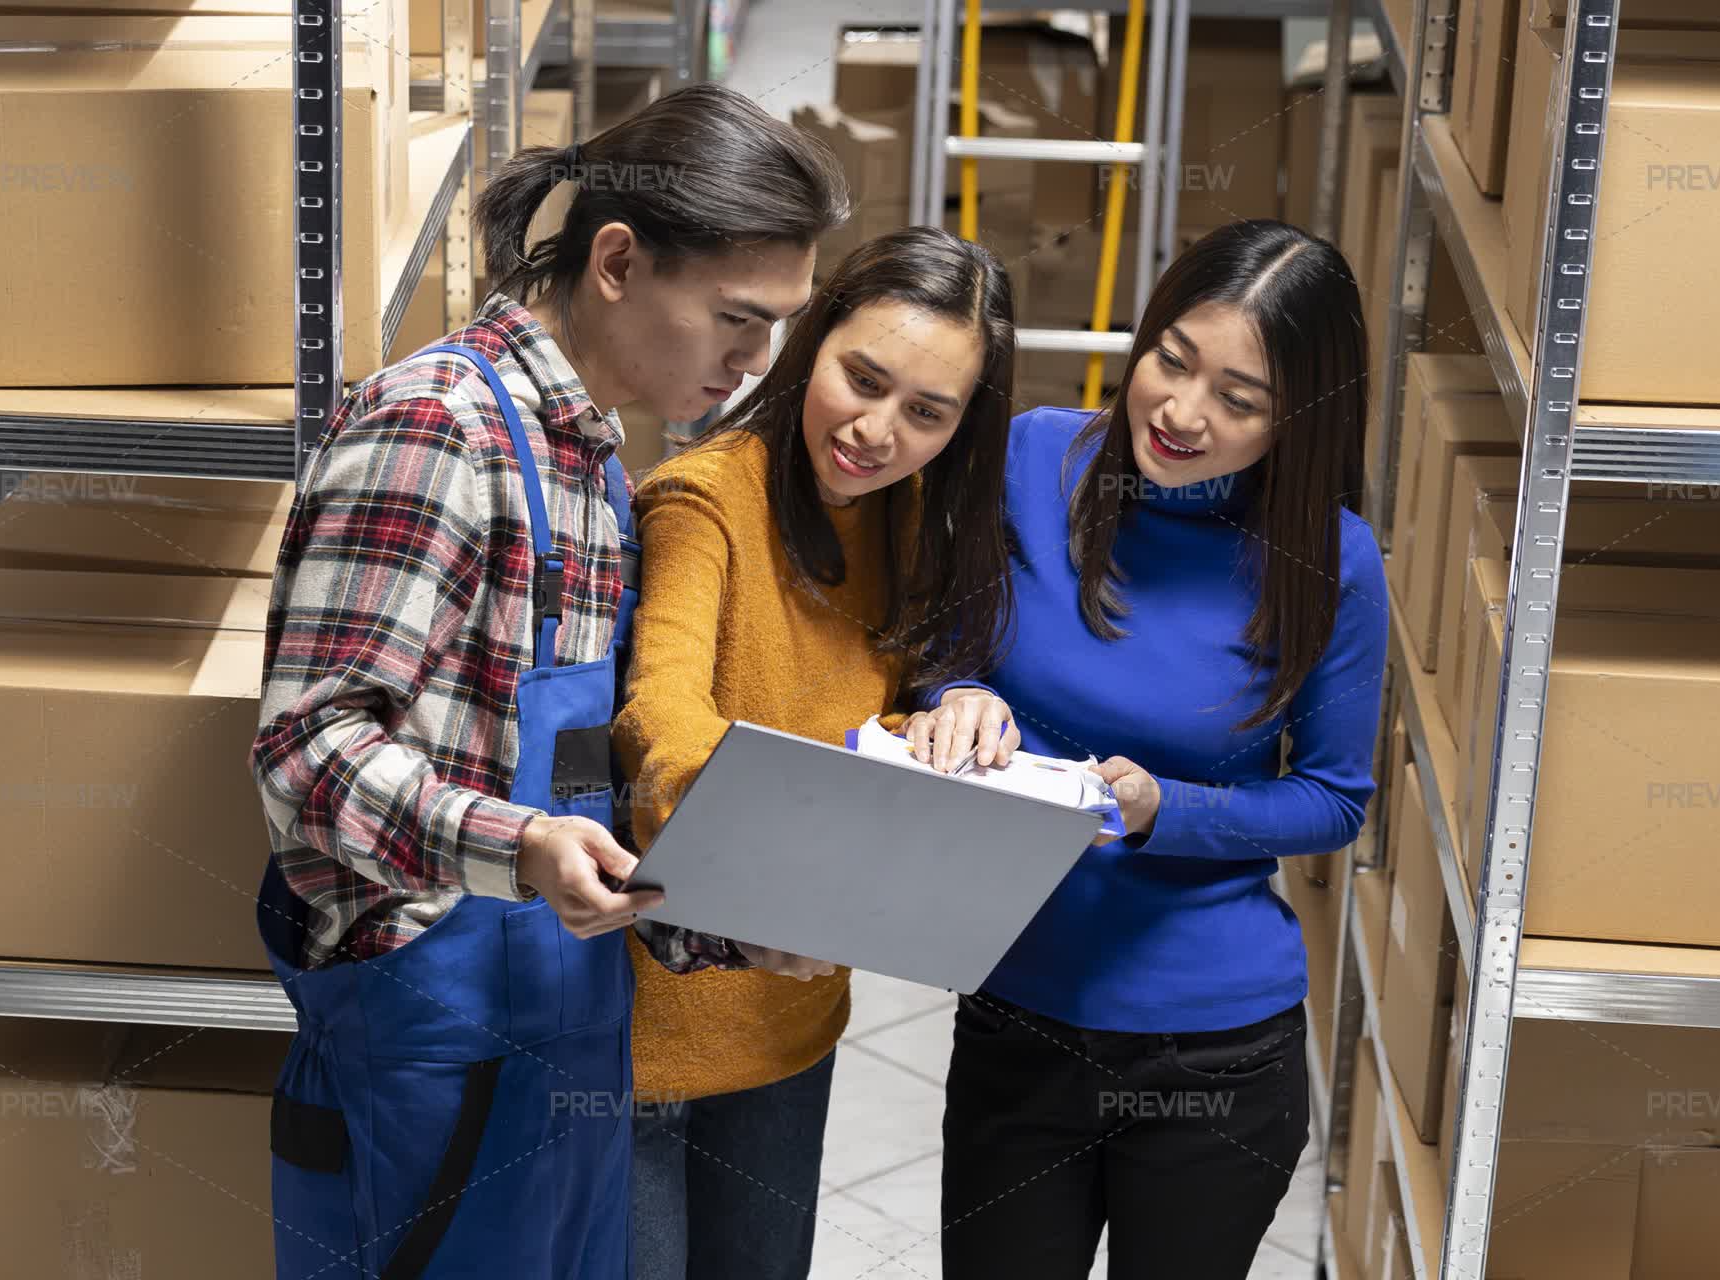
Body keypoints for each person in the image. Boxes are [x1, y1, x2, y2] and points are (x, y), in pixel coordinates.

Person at [246, 83, 853, 1279]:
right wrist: (519, 847)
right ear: (617, 261)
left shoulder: (591, 466)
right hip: (429, 1068)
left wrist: (720, 921)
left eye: (778, 325)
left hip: (566, 1048)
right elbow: (307, 754)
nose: (756, 361)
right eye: (737, 317)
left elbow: (576, 796)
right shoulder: (437, 428)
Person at [904, 219, 1390, 1278]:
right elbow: (944, 647)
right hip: (1017, 1009)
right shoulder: (1033, 456)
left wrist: (1168, 809)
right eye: (1173, 359)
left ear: (1297, 417)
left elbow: (1333, 799)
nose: (1181, 411)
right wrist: (955, 695)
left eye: (1239, 399)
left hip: (1215, 1052)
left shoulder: (1331, 561)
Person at [612, 225, 1021, 1280]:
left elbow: (874, 713)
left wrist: (951, 716)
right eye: (862, 379)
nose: (876, 432)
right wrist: (769, 882)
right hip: (652, 1032)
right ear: (812, 340)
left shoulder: (913, 522)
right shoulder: (705, 500)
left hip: (792, 1024)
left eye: (926, 412)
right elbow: (662, 720)